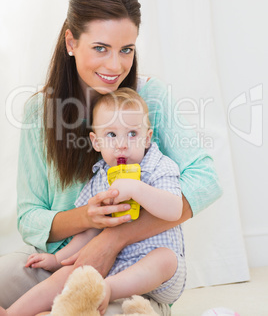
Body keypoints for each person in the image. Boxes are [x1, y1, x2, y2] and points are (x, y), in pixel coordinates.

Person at [0, 0, 222, 315]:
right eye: (101, 48)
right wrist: (87, 219)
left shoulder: (151, 98)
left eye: (126, 50)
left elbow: (205, 181)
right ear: (71, 42)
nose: (116, 66)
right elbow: (31, 217)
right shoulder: (39, 112)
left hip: (134, 277)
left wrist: (112, 239)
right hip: (64, 265)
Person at [0, 88, 186, 315]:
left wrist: (137, 189)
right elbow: (89, 232)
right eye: (111, 135)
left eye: (132, 134)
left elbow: (174, 209)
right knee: (69, 273)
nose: (122, 144)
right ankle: (12, 313)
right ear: (96, 142)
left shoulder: (158, 166)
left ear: (147, 137)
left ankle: (106, 289)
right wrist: (58, 259)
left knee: (165, 258)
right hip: (111, 264)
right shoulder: (99, 179)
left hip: (158, 277)